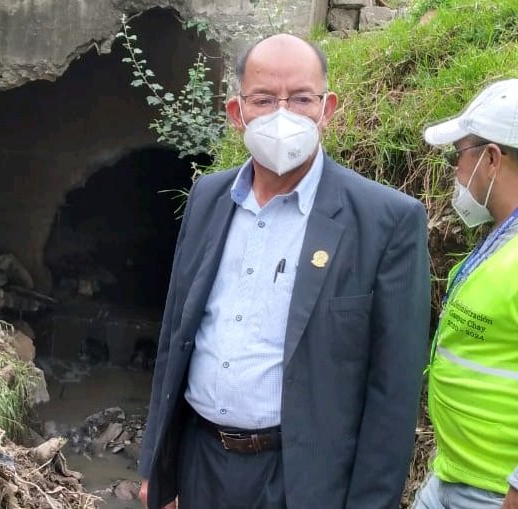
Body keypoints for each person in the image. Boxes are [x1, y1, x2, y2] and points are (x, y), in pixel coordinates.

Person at [138, 33, 431, 509]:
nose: (282, 114)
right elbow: (176, 333)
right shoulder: (208, 198)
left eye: (300, 98)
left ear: (327, 109)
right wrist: (159, 462)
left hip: (303, 481)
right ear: (237, 114)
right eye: (263, 99)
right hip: (201, 463)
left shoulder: (385, 221)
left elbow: (393, 392)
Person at [412, 79, 518, 509]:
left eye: (460, 155)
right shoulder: (501, 237)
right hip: (454, 474)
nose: (456, 171)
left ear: (491, 158)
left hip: (495, 493)